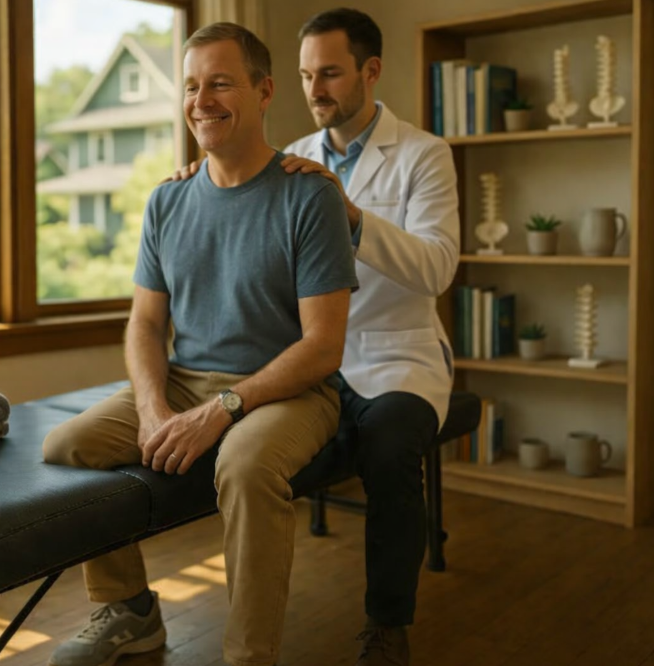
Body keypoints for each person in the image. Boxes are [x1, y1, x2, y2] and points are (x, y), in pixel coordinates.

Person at [42, 21, 359, 666]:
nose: (201, 101)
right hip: (185, 379)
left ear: (265, 91)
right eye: (191, 86)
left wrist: (223, 410)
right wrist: (155, 407)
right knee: (66, 445)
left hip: (288, 392)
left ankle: (250, 656)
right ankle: (129, 609)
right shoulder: (167, 199)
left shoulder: (309, 196)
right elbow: (144, 326)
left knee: (243, 465)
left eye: (220, 83)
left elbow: (324, 348)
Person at [169, 9, 460, 666]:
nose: (314, 90)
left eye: (328, 73)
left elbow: (438, 267)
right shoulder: (290, 158)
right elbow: (232, 197)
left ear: (370, 71)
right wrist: (197, 180)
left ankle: (387, 624)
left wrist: (349, 213)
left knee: (387, 449)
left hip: (392, 357)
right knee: (247, 453)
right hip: (304, 357)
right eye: (304, 76)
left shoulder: (423, 155)